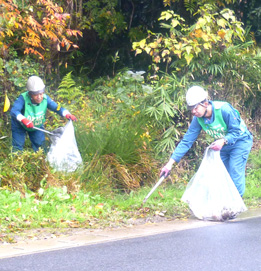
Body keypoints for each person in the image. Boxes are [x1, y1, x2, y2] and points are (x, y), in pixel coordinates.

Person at [160, 86, 253, 197]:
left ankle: (235, 207)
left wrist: (223, 140)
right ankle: (224, 205)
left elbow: (236, 131)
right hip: (223, 145)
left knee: (234, 171)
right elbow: (186, 141)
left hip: (240, 142)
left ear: (204, 103)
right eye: (191, 109)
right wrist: (169, 164)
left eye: (195, 108)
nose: (193, 112)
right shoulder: (198, 119)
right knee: (220, 175)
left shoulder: (224, 109)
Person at [10, 75, 77, 152]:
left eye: (41, 94)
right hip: (19, 125)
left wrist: (66, 114)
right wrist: (23, 119)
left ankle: (42, 162)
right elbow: (14, 111)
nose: (39, 97)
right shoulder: (23, 98)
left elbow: (56, 108)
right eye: (35, 95)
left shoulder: (45, 99)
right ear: (30, 94)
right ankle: (15, 161)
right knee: (17, 145)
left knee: (40, 146)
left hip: (36, 125)